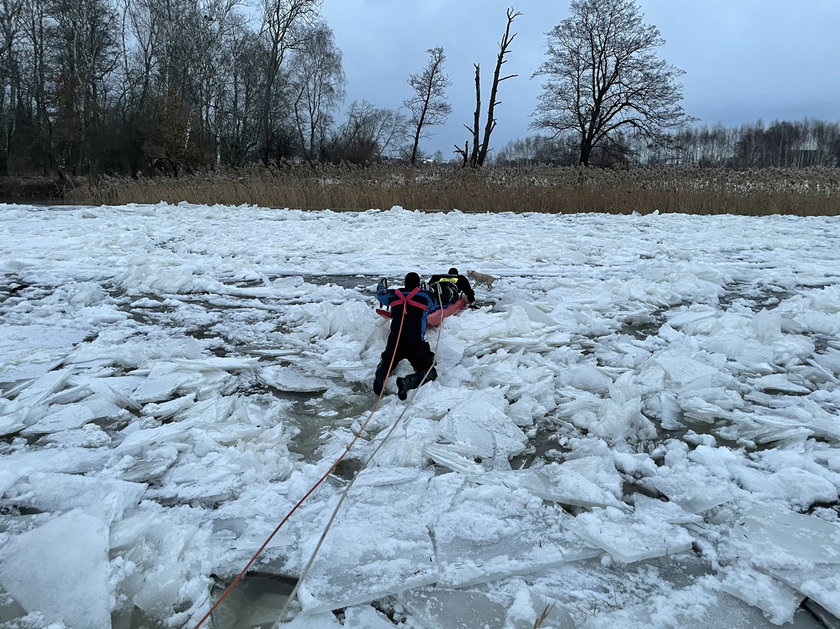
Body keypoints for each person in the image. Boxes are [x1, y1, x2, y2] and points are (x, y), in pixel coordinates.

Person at [373, 272, 438, 400]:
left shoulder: (393, 295)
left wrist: (381, 288)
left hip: (395, 342)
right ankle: (408, 382)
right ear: (418, 284)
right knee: (429, 372)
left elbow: (381, 296)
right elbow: (433, 304)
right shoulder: (425, 296)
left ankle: (380, 378)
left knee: (386, 364)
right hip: (415, 343)